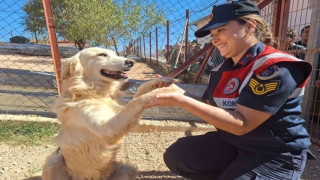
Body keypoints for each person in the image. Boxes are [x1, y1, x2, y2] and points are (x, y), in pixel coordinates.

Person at [143, 1, 315, 179]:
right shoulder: (221, 69)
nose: (214, 39)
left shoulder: (275, 66)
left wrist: (180, 100)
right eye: (212, 34)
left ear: (249, 27)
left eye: (220, 30)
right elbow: (210, 105)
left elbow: (242, 124)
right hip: (233, 142)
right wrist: (179, 92)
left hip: (273, 153)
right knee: (180, 155)